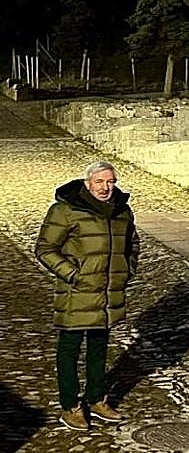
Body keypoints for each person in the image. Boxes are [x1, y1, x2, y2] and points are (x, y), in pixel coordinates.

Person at [35, 161, 139, 431]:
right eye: (100, 182)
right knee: (69, 349)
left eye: (110, 181)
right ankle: (70, 406)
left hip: (107, 293)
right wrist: (73, 274)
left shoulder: (121, 211)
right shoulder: (65, 210)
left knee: (98, 347)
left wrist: (126, 271)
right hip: (77, 292)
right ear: (87, 183)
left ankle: (97, 399)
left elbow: (132, 244)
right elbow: (45, 248)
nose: (106, 187)